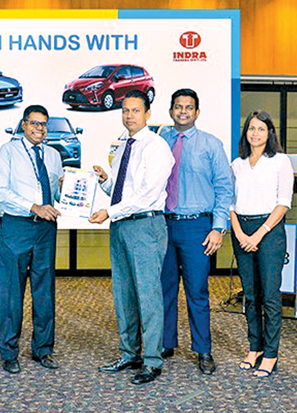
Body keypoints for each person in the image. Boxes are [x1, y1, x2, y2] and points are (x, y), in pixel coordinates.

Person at [91, 90, 174, 385]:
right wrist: (105, 180)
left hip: (145, 226)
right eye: (125, 110)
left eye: (135, 110)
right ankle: (129, 353)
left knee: (148, 295)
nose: (129, 115)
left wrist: (109, 211)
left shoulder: (157, 147)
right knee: (123, 292)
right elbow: (122, 189)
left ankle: (152, 360)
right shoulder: (123, 145)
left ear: (148, 114)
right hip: (122, 226)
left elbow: (146, 195)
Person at [159, 88, 233, 375]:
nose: (183, 112)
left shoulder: (211, 144)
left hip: (197, 227)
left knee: (197, 291)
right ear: (170, 110)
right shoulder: (160, 142)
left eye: (188, 107)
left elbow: (224, 188)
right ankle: (166, 343)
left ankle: (203, 350)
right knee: (164, 289)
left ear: (197, 112)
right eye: (178, 107)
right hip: (164, 224)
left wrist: (218, 227)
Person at [0, 104, 63, 375]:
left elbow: (56, 193)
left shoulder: (54, 155)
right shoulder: (8, 151)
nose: (39, 128)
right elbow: (1, 192)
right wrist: (33, 207)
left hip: (46, 229)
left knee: (44, 291)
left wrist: (74, 189)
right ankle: (9, 351)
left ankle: (43, 349)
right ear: (23, 124)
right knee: (11, 291)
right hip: (17, 227)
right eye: (34, 123)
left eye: (44, 124)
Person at [230, 110, 293, 377]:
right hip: (241, 229)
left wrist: (258, 234)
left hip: (270, 231)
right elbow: (230, 203)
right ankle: (254, 347)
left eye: (261, 129)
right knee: (250, 294)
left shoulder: (280, 161)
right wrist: (241, 234)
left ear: (270, 133)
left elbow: (283, 203)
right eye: (251, 128)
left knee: (269, 295)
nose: (255, 133)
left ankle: (270, 353)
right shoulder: (237, 164)